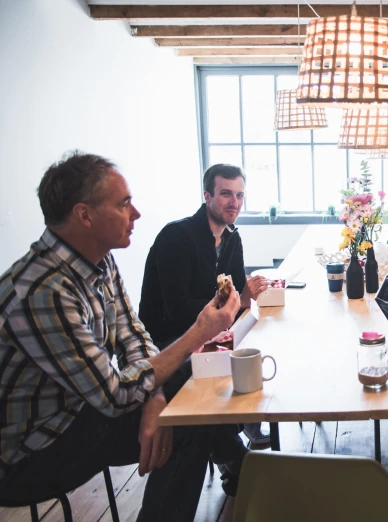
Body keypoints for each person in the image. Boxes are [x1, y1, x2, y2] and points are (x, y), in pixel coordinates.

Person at [0, 152, 241, 522]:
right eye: (124, 203)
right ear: (84, 215)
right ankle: (238, 466)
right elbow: (114, 395)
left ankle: (238, 463)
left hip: (84, 407)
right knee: (190, 418)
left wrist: (155, 396)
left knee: (191, 399)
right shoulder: (44, 290)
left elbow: (133, 336)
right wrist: (200, 331)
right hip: (32, 450)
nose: (137, 214)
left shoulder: (98, 258)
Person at [139, 163, 270, 490]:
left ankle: (239, 431)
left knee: (253, 345)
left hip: (210, 332)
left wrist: (244, 298)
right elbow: (177, 310)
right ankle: (233, 453)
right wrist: (234, 302)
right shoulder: (176, 237)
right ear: (207, 195)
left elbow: (237, 296)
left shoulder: (232, 238)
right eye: (226, 193)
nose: (234, 202)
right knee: (214, 369)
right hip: (169, 341)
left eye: (240, 195)